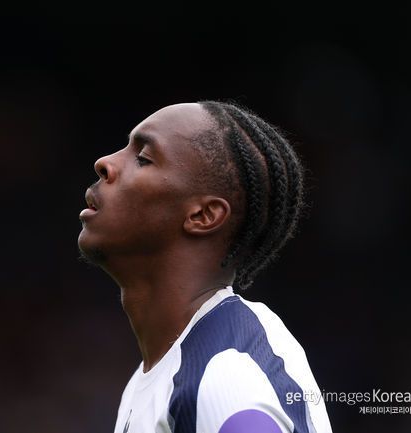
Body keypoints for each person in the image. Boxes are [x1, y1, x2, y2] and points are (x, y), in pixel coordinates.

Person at [78, 101, 332, 433]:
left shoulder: (226, 376)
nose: (105, 163)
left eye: (143, 158)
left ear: (203, 215)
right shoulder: (154, 378)